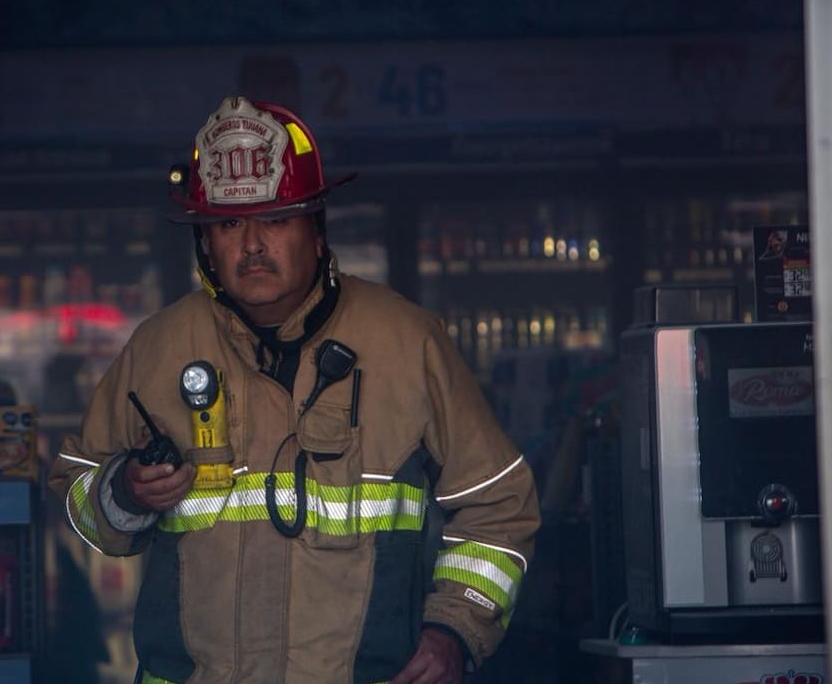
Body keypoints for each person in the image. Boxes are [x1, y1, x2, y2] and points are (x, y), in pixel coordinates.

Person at [49, 96, 540, 684]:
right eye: (229, 224)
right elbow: (78, 498)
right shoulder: (158, 348)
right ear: (205, 242)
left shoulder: (407, 343)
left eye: (277, 218)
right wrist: (124, 492)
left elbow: (501, 505)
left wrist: (454, 631)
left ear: (316, 229)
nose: (252, 244)